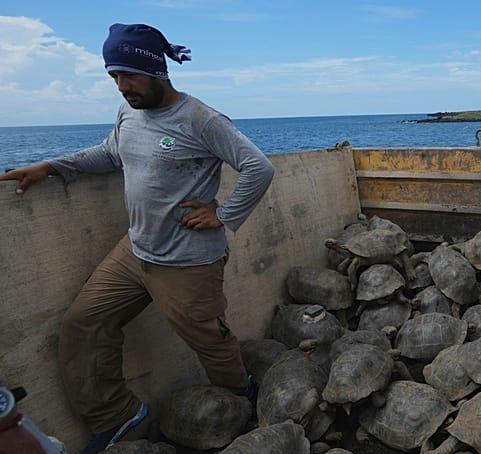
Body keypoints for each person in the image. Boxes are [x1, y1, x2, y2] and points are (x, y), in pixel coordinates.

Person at [0, 23, 275, 453]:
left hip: (188, 263)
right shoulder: (130, 112)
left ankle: (244, 400)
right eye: (114, 77)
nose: (122, 86)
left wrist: (222, 213)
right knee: (82, 325)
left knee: (211, 344)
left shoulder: (200, 118)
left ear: (157, 69)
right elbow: (111, 153)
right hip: (135, 251)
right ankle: (118, 417)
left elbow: (259, 167)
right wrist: (51, 167)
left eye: (129, 75)